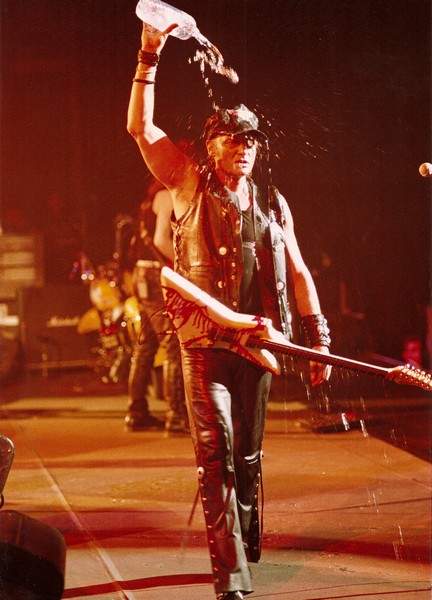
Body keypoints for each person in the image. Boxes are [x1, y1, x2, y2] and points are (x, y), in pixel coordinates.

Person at [127, 22, 332, 600]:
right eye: (233, 139)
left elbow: (298, 271)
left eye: (251, 141)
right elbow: (141, 128)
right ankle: (231, 578)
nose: (243, 148)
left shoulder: (273, 202)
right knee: (214, 458)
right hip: (205, 345)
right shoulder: (186, 183)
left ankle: (245, 539)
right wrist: (149, 55)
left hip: (259, 346)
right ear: (212, 143)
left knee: (247, 456)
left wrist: (318, 340)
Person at [125, 176, 188, 435]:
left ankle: (136, 412)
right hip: (155, 275)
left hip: (141, 274)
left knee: (146, 346)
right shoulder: (165, 196)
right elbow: (161, 239)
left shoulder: (148, 200)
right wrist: (184, 265)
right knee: (172, 346)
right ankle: (176, 417)